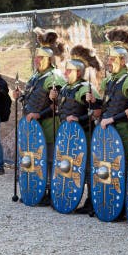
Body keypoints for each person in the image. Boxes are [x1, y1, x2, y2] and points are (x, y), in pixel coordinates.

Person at [14, 28, 66, 204]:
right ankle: (35, 190)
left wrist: (39, 114)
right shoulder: (35, 77)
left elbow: (58, 104)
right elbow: (30, 98)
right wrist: (19, 95)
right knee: (32, 158)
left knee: (49, 160)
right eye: (36, 57)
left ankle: (50, 192)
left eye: (40, 58)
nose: (36, 60)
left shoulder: (55, 77)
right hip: (32, 126)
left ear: (49, 59)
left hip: (49, 124)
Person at [51, 44, 102, 214]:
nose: (65, 73)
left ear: (78, 72)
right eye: (65, 70)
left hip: (83, 135)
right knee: (67, 165)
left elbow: (96, 112)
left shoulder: (85, 89)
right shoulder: (66, 88)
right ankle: (65, 196)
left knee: (86, 168)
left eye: (69, 71)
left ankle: (91, 200)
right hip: (67, 135)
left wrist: (78, 118)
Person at [95, 26, 128, 158]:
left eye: (112, 59)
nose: (108, 62)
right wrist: (93, 102)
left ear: (122, 61)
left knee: (124, 167)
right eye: (108, 59)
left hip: (124, 132)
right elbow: (107, 104)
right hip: (108, 131)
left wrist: (111, 119)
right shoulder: (109, 81)